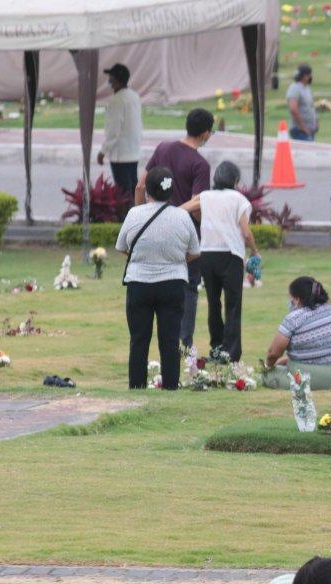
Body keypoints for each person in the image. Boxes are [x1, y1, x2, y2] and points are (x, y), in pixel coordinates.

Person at [117, 167, 200, 390]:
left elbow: (122, 246)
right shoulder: (182, 217)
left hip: (139, 285)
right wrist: (174, 260)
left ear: (147, 192)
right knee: (170, 340)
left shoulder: (135, 214)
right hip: (173, 284)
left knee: (138, 340)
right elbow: (194, 251)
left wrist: (144, 258)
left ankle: (137, 387)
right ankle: (171, 387)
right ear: (171, 192)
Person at [137, 108, 213, 350]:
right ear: (206, 133)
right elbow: (198, 202)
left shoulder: (163, 148)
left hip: (151, 231)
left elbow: (141, 184)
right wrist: (174, 213)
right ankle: (182, 342)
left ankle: (154, 342)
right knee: (189, 287)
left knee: (154, 284)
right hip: (184, 232)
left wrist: (142, 215)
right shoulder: (200, 164)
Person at [180, 161, 259, 363]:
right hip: (231, 255)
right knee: (233, 305)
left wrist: (200, 217)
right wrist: (254, 251)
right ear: (235, 180)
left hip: (207, 254)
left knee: (213, 304)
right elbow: (246, 232)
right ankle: (231, 352)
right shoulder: (239, 199)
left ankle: (216, 348)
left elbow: (183, 209)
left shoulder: (205, 196)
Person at [262, 276, 331, 389]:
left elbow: (273, 353)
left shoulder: (294, 318)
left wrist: (267, 367)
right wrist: (286, 361)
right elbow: (321, 350)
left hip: (313, 377)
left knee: (267, 375)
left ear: (297, 299)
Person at [97, 63, 142, 203]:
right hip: (133, 152)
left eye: (110, 77)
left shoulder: (116, 100)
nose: (109, 80)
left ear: (115, 80)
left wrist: (103, 151)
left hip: (120, 155)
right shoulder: (134, 96)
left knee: (123, 194)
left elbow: (113, 130)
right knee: (133, 190)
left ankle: (124, 220)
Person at [288, 63, 319, 142]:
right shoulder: (295, 88)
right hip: (300, 131)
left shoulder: (307, 88)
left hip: (309, 130)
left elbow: (311, 106)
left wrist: (316, 122)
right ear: (305, 76)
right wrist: (303, 127)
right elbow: (293, 109)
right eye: (309, 75)